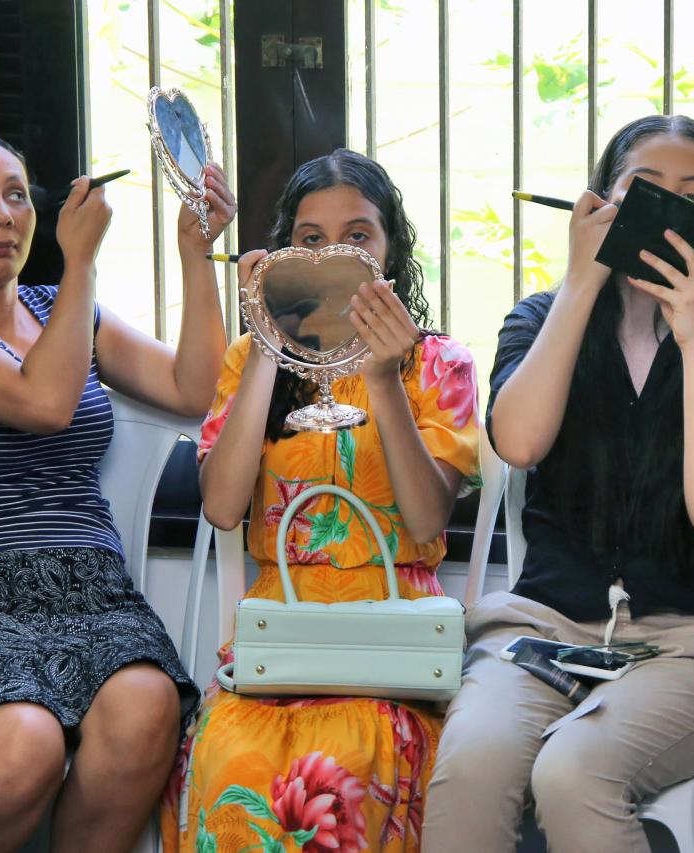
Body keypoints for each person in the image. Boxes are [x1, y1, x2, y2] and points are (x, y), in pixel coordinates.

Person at [420, 115, 694, 853]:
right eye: (643, 189)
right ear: (599, 200)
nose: (668, 209)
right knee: (472, 765)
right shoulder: (540, 320)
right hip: (543, 630)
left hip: (692, 648)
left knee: (574, 771)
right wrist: (583, 280)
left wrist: (692, 339)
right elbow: (519, 441)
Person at [0, 131, 234, 851]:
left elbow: (196, 388)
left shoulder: (62, 310)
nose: (2, 215)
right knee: (22, 748)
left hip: (90, 588)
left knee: (147, 710)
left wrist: (196, 253)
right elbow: (43, 403)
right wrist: (82, 264)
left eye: (16, 195)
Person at [164, 149, 480, 853]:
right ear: (286, 256)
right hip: (279, 636)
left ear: (390, 252)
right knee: (228, 761)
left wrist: (383, 379)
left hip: (395, 642)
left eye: (357, 235)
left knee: (343, 766)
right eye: (311, 239)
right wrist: (269, 340)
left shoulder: (437, 363)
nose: (333, 255)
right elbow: (221, 507)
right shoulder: (250, 360)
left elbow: (427, 518)